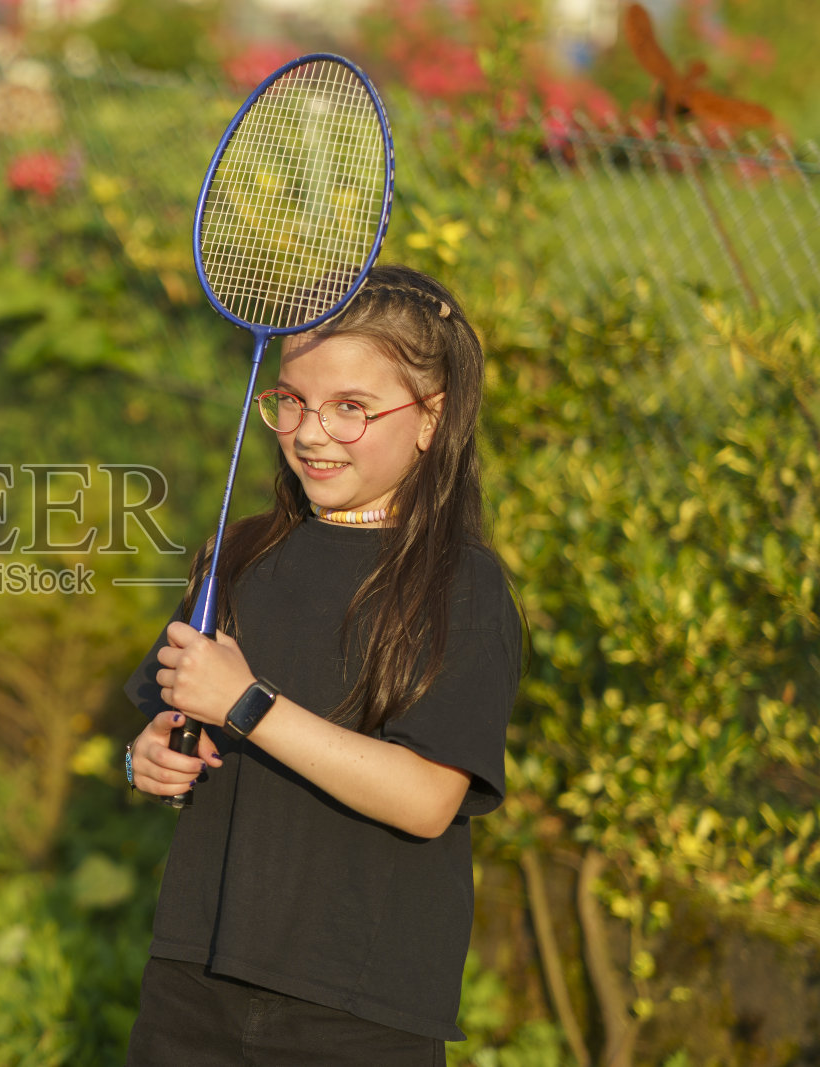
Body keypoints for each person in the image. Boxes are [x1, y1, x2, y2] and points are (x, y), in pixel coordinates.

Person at [122, 264, 522, 1066]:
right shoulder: (237, 555)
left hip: (356, 1008)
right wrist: (145, 757)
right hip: (195, 976)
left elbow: (426, 798)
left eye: (351, 408)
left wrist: (249, 705)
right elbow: (169, 720)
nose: (311, 432)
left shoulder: (461, 586)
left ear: (430, 419)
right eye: (291, 401)